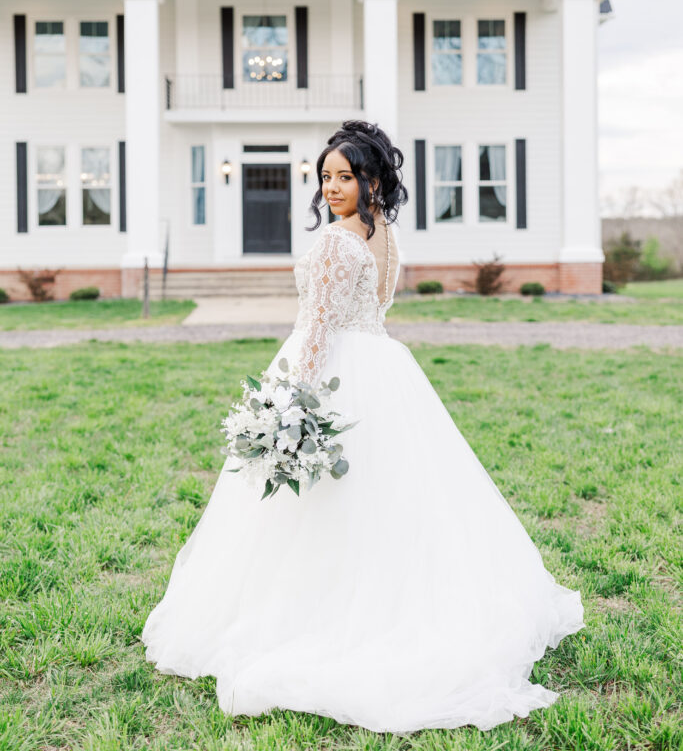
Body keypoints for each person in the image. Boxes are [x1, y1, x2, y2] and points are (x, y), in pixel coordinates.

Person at [140, 119, 584, 734]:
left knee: (322, 505)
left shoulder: (332, 243)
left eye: (345, 177)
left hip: (331, 372)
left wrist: (292, 404)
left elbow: (318, 331)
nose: (332, 188)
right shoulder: (388, 237)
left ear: (372, 178)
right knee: (394, 496)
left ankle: (318, 612)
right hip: (384, 368)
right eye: (325, 177)